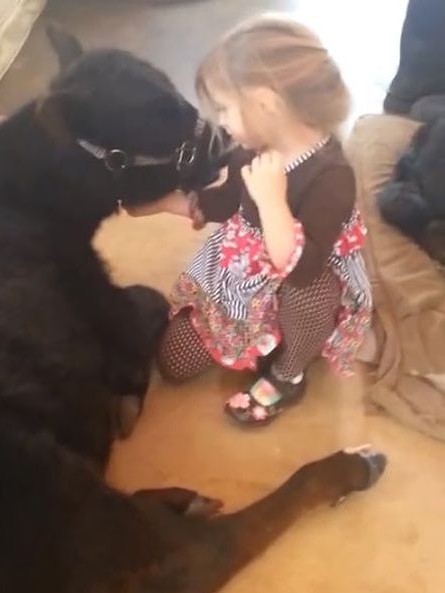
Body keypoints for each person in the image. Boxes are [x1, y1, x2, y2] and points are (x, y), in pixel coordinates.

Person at [127, 14, 371, 426]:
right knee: (174, 363)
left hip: (301, 279)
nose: (220, 120)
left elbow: (303, 267)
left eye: (224, 108)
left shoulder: (332, 176)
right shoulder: (252, 145)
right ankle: (261, 337)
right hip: (247, 276)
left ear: (265, 104)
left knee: (310, 298)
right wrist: (165, 203)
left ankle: (289, 372)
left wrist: (274, 202)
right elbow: (226, 202)